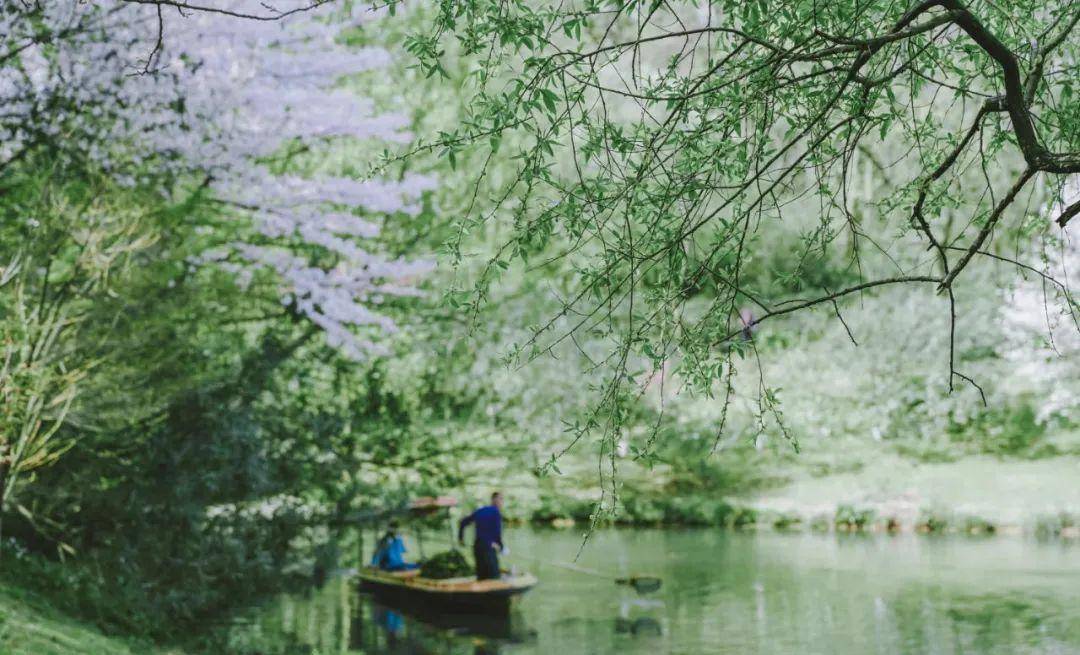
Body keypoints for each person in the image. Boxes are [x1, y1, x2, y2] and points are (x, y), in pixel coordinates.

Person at [458, 492, 505, 580]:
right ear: (494, 500)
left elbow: (463, 523)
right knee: (494, 577)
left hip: (477, 546)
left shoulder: (480, 510)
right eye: (501, 499)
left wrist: (461, 539)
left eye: (502, 499)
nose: (502, 502)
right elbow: (497, 533)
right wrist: (501, 547)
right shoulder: (496, 513)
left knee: (481, 576)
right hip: (488, 547)